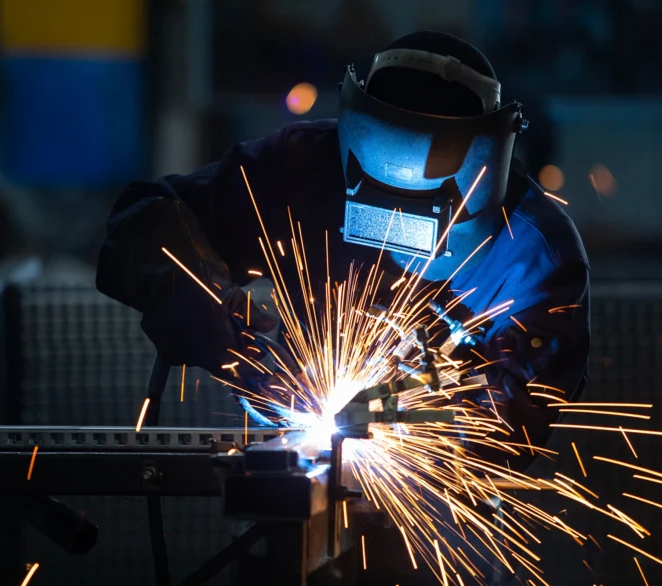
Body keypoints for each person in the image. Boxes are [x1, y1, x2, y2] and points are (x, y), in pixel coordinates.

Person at [96, 31, 590, 584]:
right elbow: (142, 223)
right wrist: (238, 338)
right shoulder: (299, 169)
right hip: (292, 502)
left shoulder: (533, 253)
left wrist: (421, 409)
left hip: (442, 534)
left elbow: (514, 418)